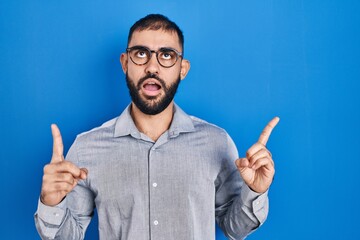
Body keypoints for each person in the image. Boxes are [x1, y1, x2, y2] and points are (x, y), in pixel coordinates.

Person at [34, 14, 279, 240]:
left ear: (182, 69)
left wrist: (255, 191)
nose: (152, 67)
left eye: (166, 55)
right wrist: (51, 203)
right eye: (141, 54)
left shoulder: (217, 142)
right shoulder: (87, 148)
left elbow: (234, 228)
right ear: (124, 63)